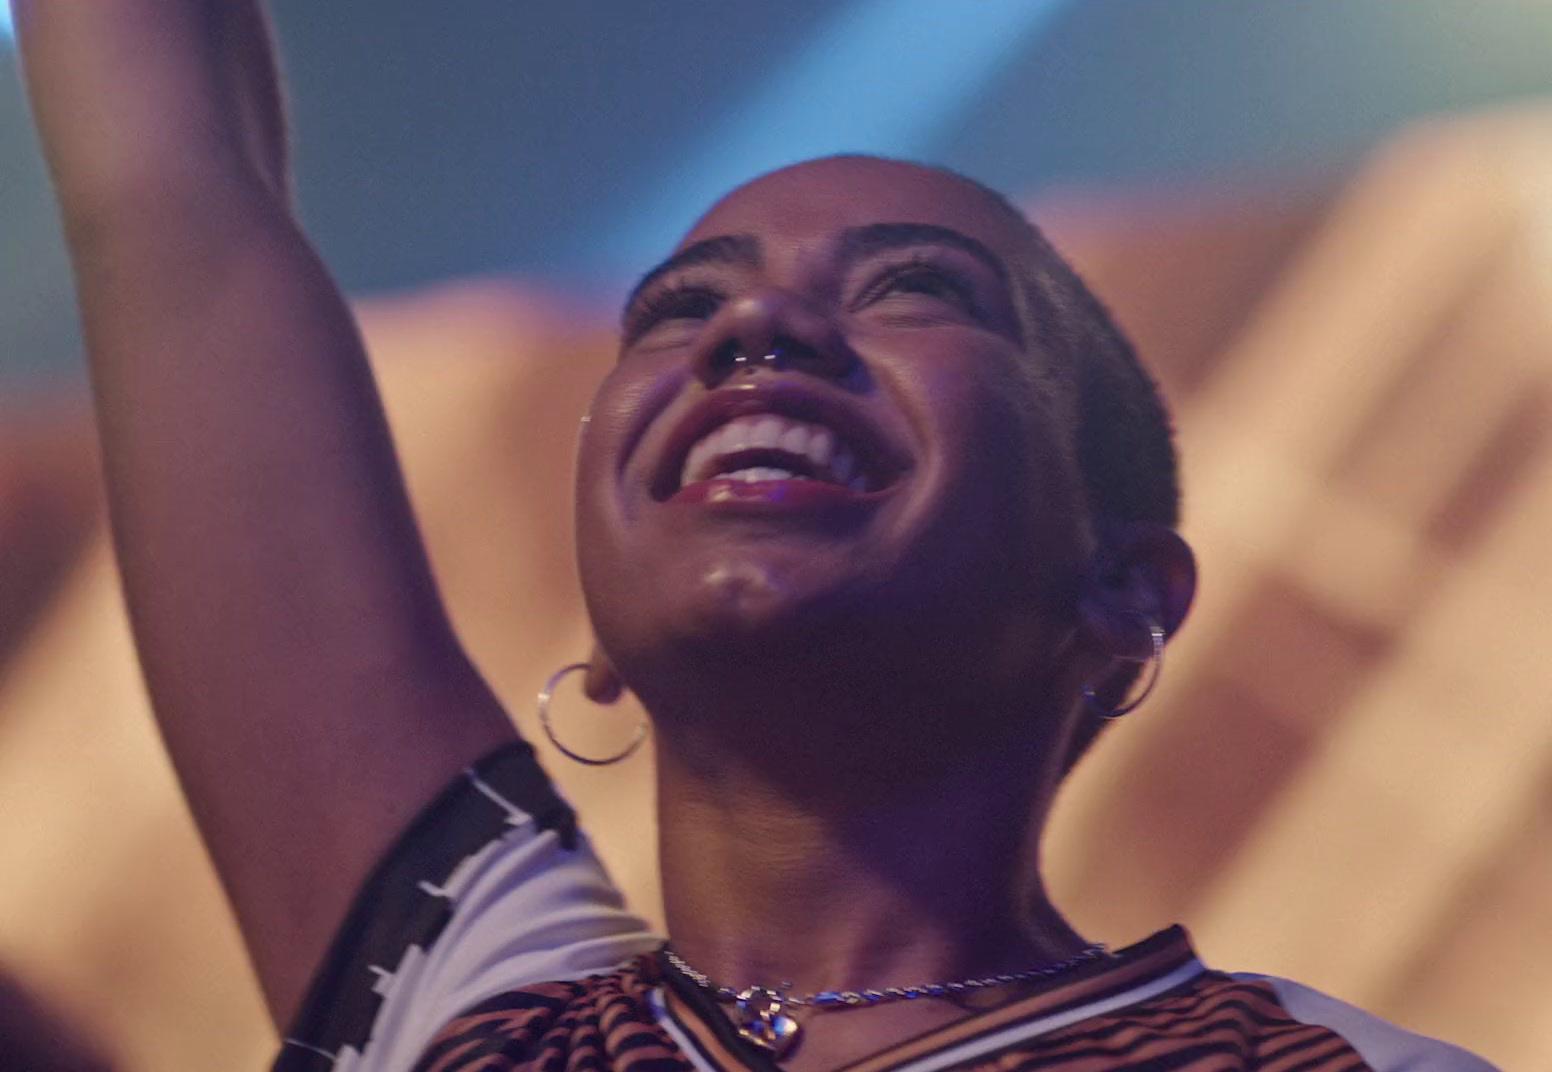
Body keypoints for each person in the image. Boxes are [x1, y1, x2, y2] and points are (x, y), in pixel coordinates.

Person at [14, 3, 1496, 1070]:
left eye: (918, 288)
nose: (759, 325)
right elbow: (169, 202)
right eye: (677, 307)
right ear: (596, 628)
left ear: (1123, 591)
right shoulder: (465, 1005)